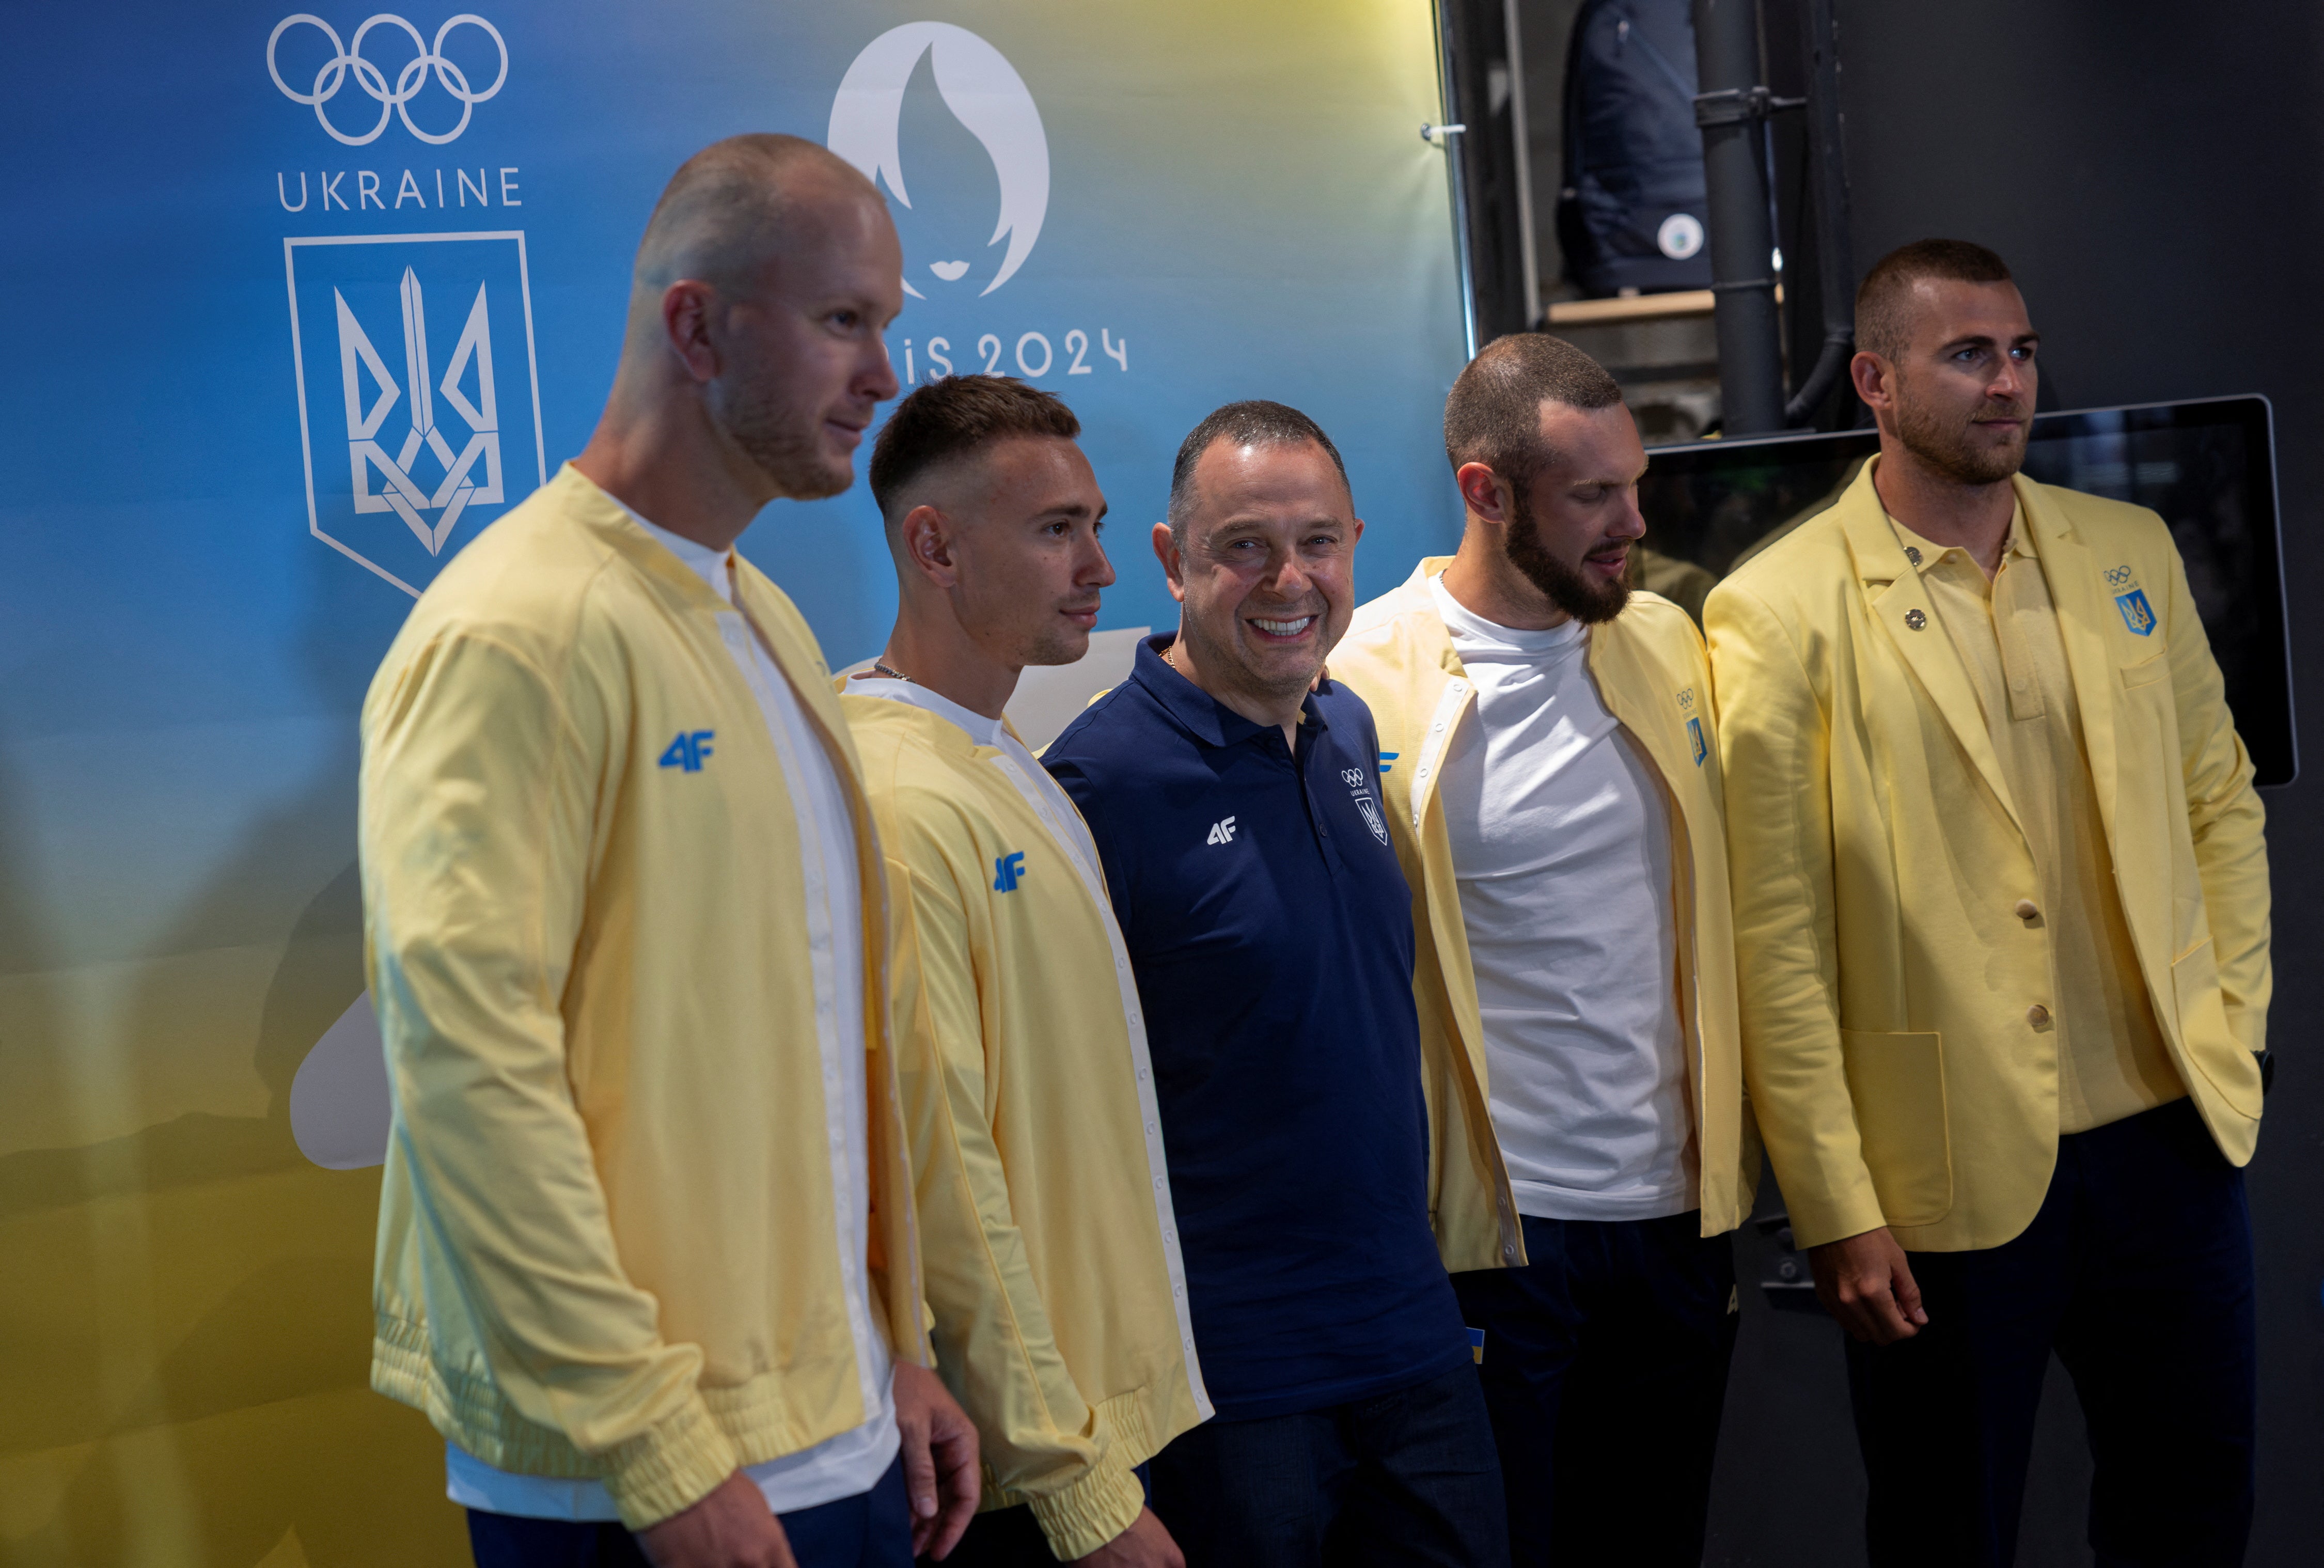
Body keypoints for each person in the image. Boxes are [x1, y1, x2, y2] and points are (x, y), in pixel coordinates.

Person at [357, 134, 980, 1568]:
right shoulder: (511, 630)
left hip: (834, 1432)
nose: (886, 375)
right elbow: (469, 1069)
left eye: (884, 322)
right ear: (696, 326)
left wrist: (894, 1343)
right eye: (845, 321)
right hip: (639, 1483)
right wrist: (656, 1450)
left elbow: (821, 1047)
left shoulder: (758, 610)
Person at [1706, 239, 2270, 1567]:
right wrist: (1835, 1199)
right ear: (1876, 383)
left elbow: (2219, 805)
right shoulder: (1774, 613)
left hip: (2169, 1136)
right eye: (1968, 355)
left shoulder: (2128, 547)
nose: (2008, 382)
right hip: (1940, 1170)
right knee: (1946, 1527)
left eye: (2019, 351)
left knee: (2193, 1507)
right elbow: (1772, 938)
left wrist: (2231, 1021)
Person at [1042, 402, 1509, 1567]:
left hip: (1413, 1342)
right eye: (1244, 544)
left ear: (1355, 542)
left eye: (1317, 543)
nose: (1288, 578)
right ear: (1171, 560)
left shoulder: (1344, 726)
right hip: (1231, 1383)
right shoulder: (1095, 788)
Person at [1329, 334, 1753, 1565]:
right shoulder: (1361, 680)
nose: (1632, 519)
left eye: (1634, 483)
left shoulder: (1669, 641)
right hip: (1500, 1240)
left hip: (1679, 1222)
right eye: (1592, 497)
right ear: (1485, 492)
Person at [836, 375, 1208, 1567]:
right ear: (932, 545)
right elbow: (949, 1180)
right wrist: (1076, 1483)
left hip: (1094, 1431)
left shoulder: (994, 758)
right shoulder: (899, 801)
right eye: (1058, 531)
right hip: (1018, 1483)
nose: (1101, 567)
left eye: (1096, 525)